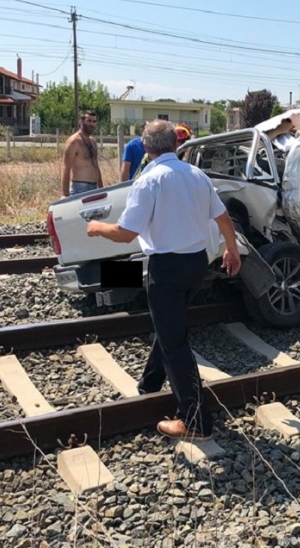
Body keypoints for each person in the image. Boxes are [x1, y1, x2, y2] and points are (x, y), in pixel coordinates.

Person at [86, 120, 241, 440]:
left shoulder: (149, 180)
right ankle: (150, 385)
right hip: (196, 264)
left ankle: (196, 420)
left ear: (146, 148)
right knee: (169, 326)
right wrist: (232, 250)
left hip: (167, 268)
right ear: (175, 144)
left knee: (175, 342)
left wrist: (96, 229)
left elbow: (127, 233)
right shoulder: (197, 175)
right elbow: (223, 217)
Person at [61, 110, 103, 197]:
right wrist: (65, 195)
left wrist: (102, 189)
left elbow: (96, 166)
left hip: (94, 188)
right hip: (79, 188)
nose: (92, 124)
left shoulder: (93, 142)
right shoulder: (74, 141)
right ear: (81, 121)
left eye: (94, 121)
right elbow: (65, 168)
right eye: (89, 121)